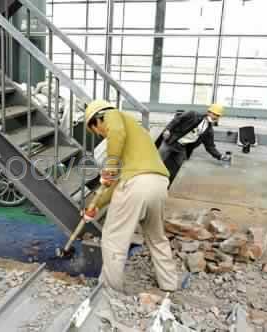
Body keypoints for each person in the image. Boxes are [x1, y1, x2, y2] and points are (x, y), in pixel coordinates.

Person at [83, 100, 177, 324]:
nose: (100, 134)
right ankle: (169, 283)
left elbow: (114, 134)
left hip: (136, 185)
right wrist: (95, 206)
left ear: (97, 120)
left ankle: (110, 290)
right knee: (156, 236)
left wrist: (111, 164)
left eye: (94, 129)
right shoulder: (136, 136)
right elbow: (114, 184)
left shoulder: (113, 116)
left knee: (114, 239)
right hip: (159, 184)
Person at [157, 104, 230, 182]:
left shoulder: (209, 131)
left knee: (181, 168)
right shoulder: (193, 115)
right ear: (209, 112)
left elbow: (210, 147)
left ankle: (168, 182)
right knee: (157, 161)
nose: (215, 117)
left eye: (218, 115)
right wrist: (168, 130)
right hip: (171, 142)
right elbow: (177, 120)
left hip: (182, 148)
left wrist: (220, 156)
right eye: (214, 114)